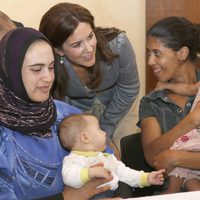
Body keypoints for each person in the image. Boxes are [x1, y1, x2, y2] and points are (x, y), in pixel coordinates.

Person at [0, 27, 120, 200]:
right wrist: (69, 197)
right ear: (11, 72)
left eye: (51, 67)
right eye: (36, 69)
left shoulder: (65, 113)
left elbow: (112, 164)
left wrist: (119, 193)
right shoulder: (4, 135)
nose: (48, 78)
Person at [39, 2, 140, 158]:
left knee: (126, 154)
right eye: (77, 44)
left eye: (91, 36)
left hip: (120, 107)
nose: (89, 48)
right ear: (59, 50)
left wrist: (105, 132)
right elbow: (57, 105)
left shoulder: (118, 44)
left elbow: (129, 88)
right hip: (76, 116)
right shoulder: (49, 65)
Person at [137, 16, 200, 194]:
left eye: (157, 53)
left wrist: (175, 157)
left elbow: (166, 158)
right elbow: (152, 157)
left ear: (182, 54)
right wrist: (191, 121)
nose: (150, 61)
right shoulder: (151, 102)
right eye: (148, 53)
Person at [58, 113, 165, 199]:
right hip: (92, 195)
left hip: (114, 191)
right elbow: (69, 176)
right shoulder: (74, 159)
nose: (104, 133)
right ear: (85, 138)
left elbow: (124, 172)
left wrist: (146, 178)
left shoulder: (106, 157)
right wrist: (91, 172)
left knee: (123, 184)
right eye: (99, 129)